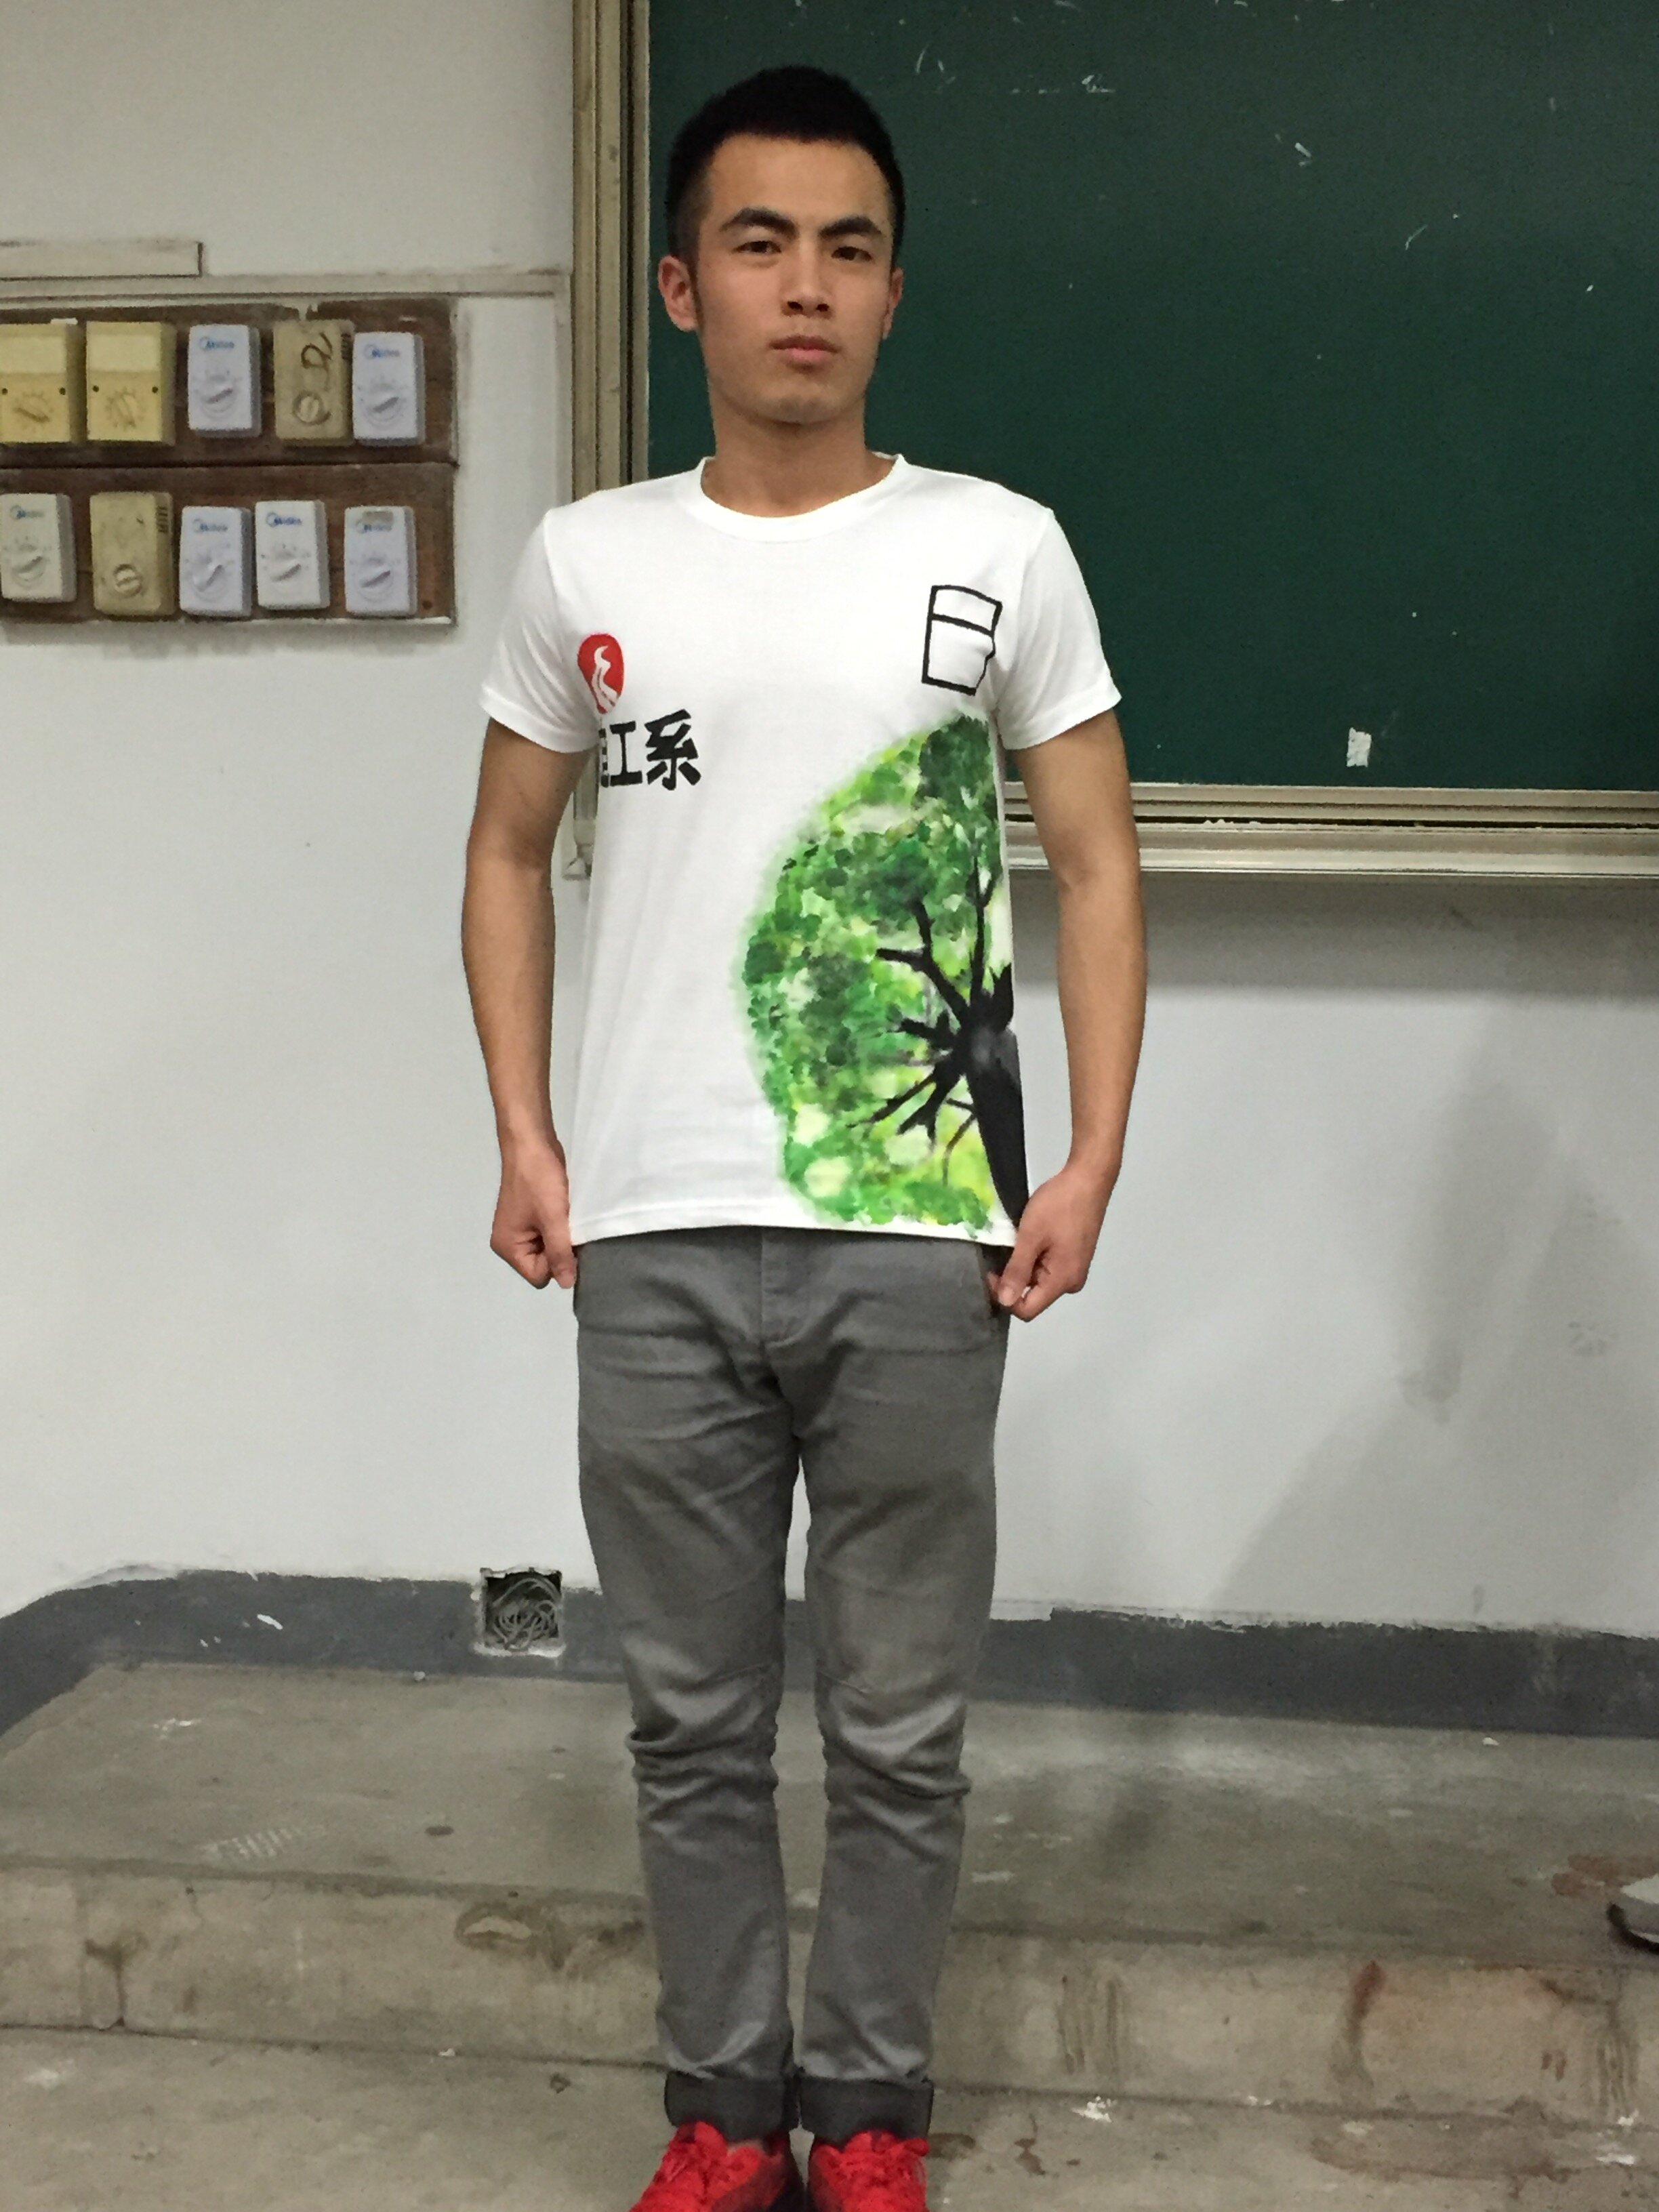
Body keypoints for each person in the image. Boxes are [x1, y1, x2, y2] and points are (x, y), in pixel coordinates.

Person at [462, 64, 1145, 2212]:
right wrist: (525, 1132)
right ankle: (721, 2112)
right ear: (683, 286)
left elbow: (1098, 866)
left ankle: (864, 2117)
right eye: (759, 243)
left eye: (849, 247)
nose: (807, 286)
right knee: (686, 1719)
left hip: (920, 1228)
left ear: (893, 290)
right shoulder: (590, 560)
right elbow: (503, 851)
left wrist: (1091, 1157)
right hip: (651, 1225)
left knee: (899, 1724)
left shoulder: (995, 550)